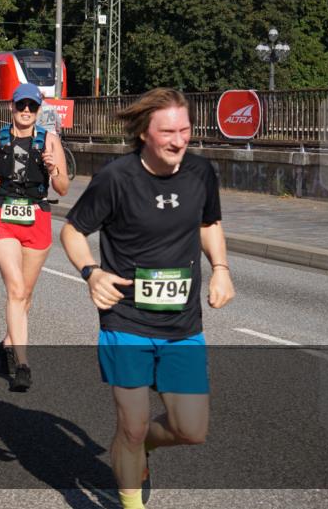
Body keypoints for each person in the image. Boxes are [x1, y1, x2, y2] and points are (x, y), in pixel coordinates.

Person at [59, 88, 235, 509]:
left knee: (191, 429)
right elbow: (72, 230)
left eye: (185, 130)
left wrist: (222, 269)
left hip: (182, 324)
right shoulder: (117, 178)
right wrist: (91, 272)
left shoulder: (200, 172)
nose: (179, 140)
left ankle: (142, 451)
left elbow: (209, 224)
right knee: (132, 426)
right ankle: (131, 497)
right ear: (144, 134)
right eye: (168, 132)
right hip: (126, 320)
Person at [0, 82, 69, 391]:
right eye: (20, 105)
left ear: (39, 110)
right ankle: (22, 363)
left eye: (32, 107)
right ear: (11, 107)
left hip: (37, 218)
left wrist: (54, 171)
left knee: (25, 294)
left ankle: (7, 343)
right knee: (15, 289)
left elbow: (64, 189)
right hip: (2, 217)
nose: (26, 111)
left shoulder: (50, 141)